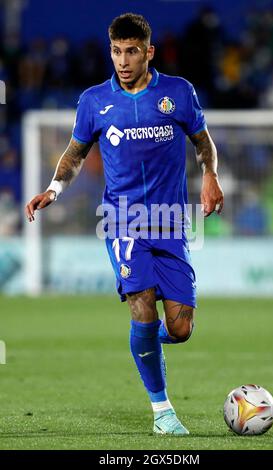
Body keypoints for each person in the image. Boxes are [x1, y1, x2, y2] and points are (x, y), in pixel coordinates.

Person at [25, 13, 224, 435]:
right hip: (123, 222)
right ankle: (162, 412)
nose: (122, 59)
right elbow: (75, 154)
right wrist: (53, 190)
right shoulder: (95, 101)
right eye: (116, 51)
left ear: (148, 52)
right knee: (142, 304)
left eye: (131, 51)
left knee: (181, 328)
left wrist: (211, 176)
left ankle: (147, 341)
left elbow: (203, 143)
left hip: (171, 224)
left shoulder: (178, 93)